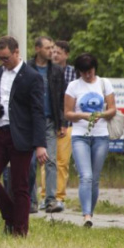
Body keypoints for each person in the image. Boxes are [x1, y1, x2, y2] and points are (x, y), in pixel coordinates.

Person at [0, 36, 48, 237]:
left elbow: (38, 112)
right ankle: (11, 214)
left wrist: (40, 144)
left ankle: (20, 231)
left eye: (6, 58)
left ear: (17, 52)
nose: (2, 62)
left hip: (21, 136)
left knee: (20, 185)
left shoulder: (32, 77)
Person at [63, 53, 116, 228]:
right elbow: (67, 113)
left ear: (95, 69)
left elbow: (113, 109)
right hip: (80, 136)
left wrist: (101, 114)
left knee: (94, 178)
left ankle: (90, 213)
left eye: (90, 71)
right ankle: (86, 215)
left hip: (101, 136)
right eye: (84, 71)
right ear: (78, 71)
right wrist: (83, 116)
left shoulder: (104, 83)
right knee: (85, 176)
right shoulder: (73, 86)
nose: (87, 74)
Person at [27, 36, 66, 214]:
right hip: (30, 122)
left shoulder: (56, 70)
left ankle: (50, 200)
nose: (51, 51)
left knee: (50, 161)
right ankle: (31, 200)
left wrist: (62, 122)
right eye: (47, 48)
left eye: (52, 47)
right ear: (37, 49)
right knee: (30, 162)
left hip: (50, 120)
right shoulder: (27, 68)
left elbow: (61, 97)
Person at [52, 40, 76, 206]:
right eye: (53, 52)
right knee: (47, 160)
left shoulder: (73, 73)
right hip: (49, 122)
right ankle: (46, 195)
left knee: (62, 161)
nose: (55, 55)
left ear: (66, 55)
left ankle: (59, 196)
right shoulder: (47, 70)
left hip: (68, 123)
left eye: (58, 53)